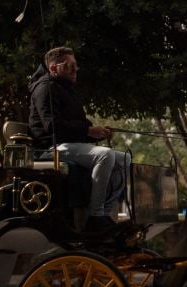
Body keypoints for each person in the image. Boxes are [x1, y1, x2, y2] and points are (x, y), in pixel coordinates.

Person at [28, 46, 128, 232]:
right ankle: (95, 216)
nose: (75, 69)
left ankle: (105, 214)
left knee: (125, 160)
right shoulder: (45, 88)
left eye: (76, 65)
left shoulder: (66, 89)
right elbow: (53, 127)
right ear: (53, 68)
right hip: (50, 148)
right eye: (69, 65)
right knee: (105, 155)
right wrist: (88, 131)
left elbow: (79, 125)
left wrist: (95, 132)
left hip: (69, 145)